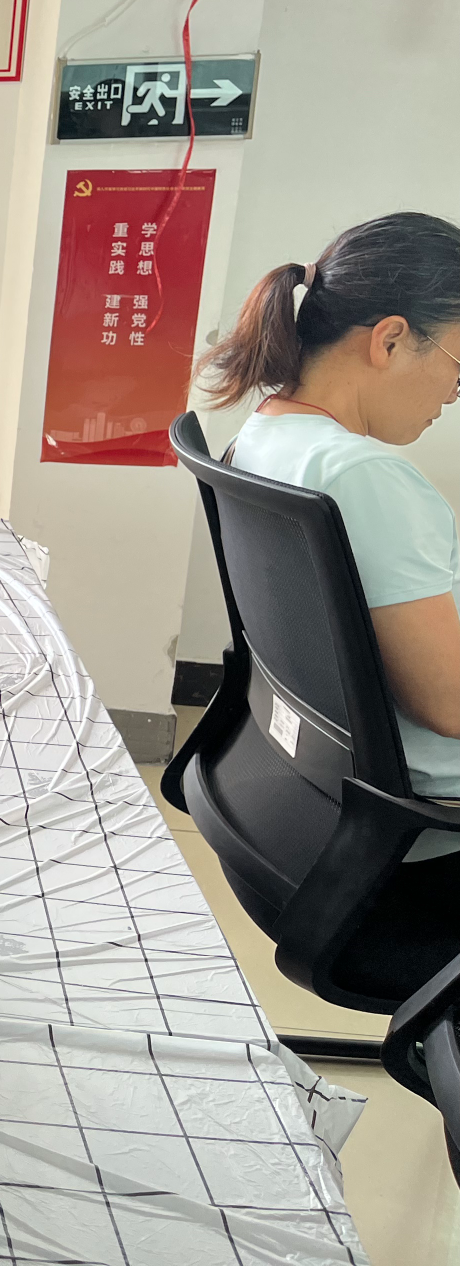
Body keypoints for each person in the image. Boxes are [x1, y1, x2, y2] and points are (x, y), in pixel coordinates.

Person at [196, 212, 460, 872]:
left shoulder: (264, 434)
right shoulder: (364, 475)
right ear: (391, 339)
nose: (455, 394)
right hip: (429, 812)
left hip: (312, 788)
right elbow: (449, 705)